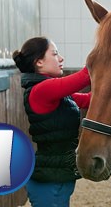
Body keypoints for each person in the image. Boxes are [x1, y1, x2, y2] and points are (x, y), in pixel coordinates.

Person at [12, 37, 91, 207]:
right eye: (55, 54)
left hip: (57, 174)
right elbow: (84, 78)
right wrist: (103, 54)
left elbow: (87, 100)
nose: (61, 58)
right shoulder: (42, 90)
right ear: (39, 62)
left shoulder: (53, 91)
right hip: (49, 181)